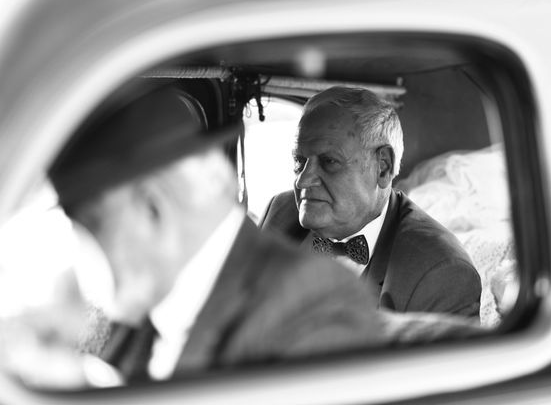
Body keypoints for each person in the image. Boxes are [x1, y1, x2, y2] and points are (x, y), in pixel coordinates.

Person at [48, 85, 385, 383]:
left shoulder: (312, 310)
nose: (79, 253)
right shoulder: (141, 305)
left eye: (89, 227)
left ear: (153, 209)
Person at [260, 87, 481, 317]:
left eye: (329, 161)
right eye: (300, 161)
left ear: (382, 166)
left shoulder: (440, 272)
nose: (302, 181)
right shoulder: (280, 212)